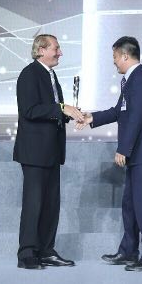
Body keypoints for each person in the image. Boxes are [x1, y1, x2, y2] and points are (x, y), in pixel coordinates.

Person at [77, 36, 142, 272]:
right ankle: (129, 250)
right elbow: (120, 111)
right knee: (130, 204)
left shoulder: (140, 80)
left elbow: (136, 118)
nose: (114, 61)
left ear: (125, 56)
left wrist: (123, 149)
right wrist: (91, 118)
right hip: (139, 153)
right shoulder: (131, 80)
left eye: (115, 57)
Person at [14, 34, 84, 270]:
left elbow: (52, 111)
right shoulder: (29, 74)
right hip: (34, 152)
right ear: (41, 50)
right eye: (56, 48)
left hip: (52, 150)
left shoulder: (51, 75)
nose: (60, 53)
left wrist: (71, 114)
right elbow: (29, 110)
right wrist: (62, 108)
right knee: (34, 203)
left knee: (51, 204)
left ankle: (46, 250)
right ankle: (27, 253)